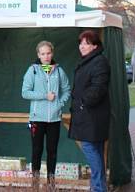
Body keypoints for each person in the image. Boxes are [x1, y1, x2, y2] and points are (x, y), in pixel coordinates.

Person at [22, 40, 71, 191]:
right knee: (36, 151)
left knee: (52, 152)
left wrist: (59, 104)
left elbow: (67, 90)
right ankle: (35, 184)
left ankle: (51, 184)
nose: (46, 56)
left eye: (48, 53)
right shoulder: (33, 70)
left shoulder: (58, 71)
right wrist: (45, 95)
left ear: (52, 53)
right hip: (37, 119)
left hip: (54, 119)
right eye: (43, 53)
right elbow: (25, 93)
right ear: (38, 55)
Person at [69, 30, 111, 192]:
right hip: (87, 114)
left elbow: (98, 87)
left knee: (90, 148)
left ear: (95, 46)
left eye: (86, 43)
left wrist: (83, 103)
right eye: (81, 43)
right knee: (96, 150)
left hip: (93, 115)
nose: (82, 46)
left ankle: (99, 188)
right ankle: (98, 187)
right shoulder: (88, 61)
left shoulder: (99, 61)